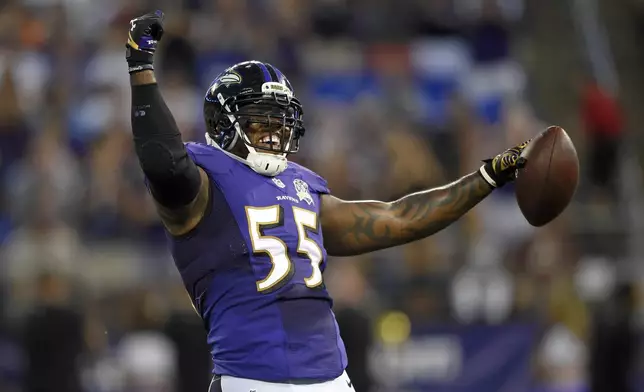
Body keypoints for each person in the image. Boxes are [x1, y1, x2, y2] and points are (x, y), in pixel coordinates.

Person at [126, 10, 529, 392]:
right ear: (222, 124)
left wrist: (486, 177)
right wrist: (141, 70)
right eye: (259, 119)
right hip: (254, 378)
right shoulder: (204, 177)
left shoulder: (305, 186)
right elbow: (165, 163)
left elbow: (400, 218)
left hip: (331, 378)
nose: (273, 132)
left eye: (280, 121)